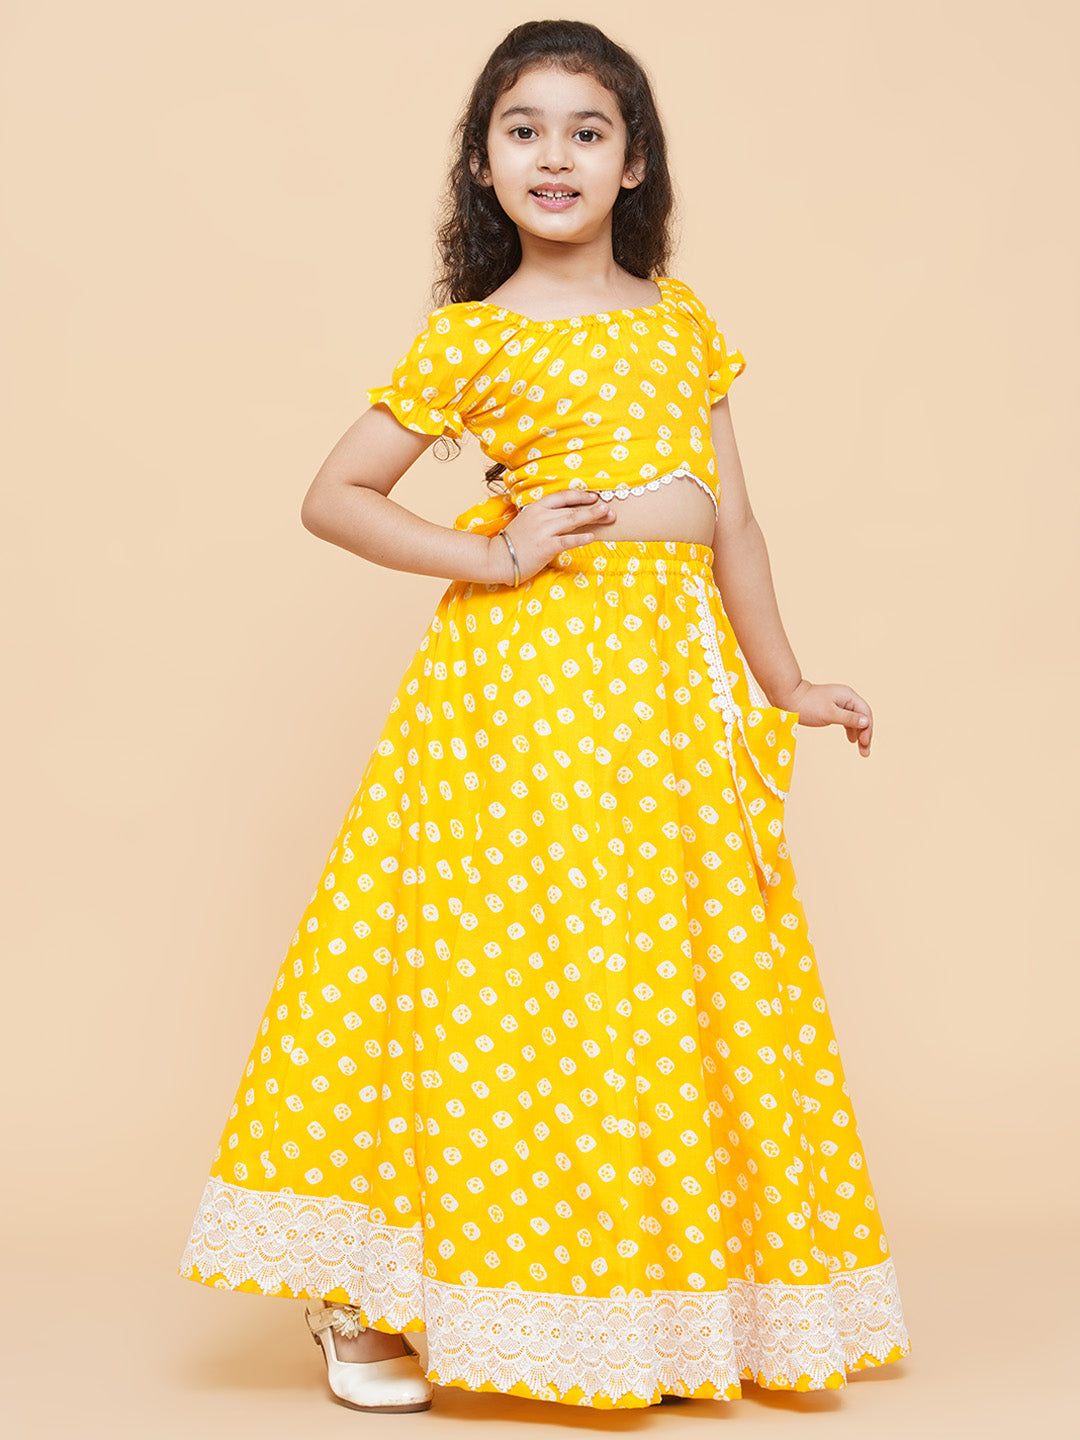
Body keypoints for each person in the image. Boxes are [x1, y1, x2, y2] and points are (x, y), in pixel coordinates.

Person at [178, 17, 912, 1414]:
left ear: (635, 164)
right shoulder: (475, 338)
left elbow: (733, 519)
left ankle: (650, 1311)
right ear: (483, 162)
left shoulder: (681, 322)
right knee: (497, 980)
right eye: (523, 130)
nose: (555, 154)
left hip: (663, 703)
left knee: (647, 987)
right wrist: (493, 550)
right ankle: (371, 1298)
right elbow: (336, 496)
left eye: (588, 130)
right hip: (521, 704)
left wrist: (784, 680)